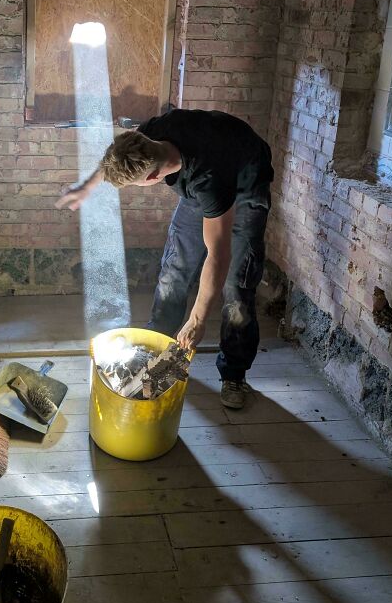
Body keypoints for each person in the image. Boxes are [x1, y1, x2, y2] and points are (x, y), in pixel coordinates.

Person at [56, 108, 273, 409]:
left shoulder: (208, 178)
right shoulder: (153, 133)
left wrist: (197, 321)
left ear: (153, 177)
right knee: (175, 269)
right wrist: (86, 188)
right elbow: (117, 157)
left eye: (137, 184)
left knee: (237, 285)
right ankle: (156, 346)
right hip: (205, 179)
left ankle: (234, 373)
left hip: (245, 184)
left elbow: (218, 254)